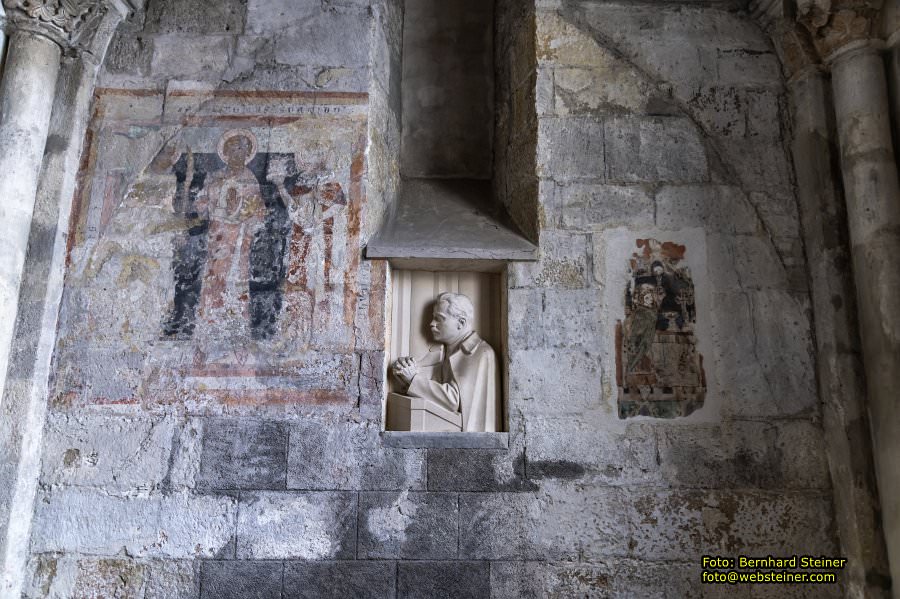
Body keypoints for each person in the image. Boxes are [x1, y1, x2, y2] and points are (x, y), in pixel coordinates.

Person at [193, 129, 266, 340]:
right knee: (215, 277)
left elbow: (259, 212)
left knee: (237, 278)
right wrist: (210, 206)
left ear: (247, 153)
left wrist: (248, 218)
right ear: (225, 152)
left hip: (241, 238)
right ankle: (210, 325)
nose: (237, 154)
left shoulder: (250, 179)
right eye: (233, 149)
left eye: (242, 149)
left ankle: (235, 328)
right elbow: (200, 203)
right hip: (218, 236)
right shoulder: (215, 176)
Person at [392, 292, 500, 432]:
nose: (432, 324)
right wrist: (405, 372)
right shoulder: (447, 350)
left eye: (439, 319)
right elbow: (436, 383)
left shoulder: (480, 353)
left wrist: (413, 379)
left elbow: (453, 401)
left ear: (461, 323)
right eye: (433, 318)